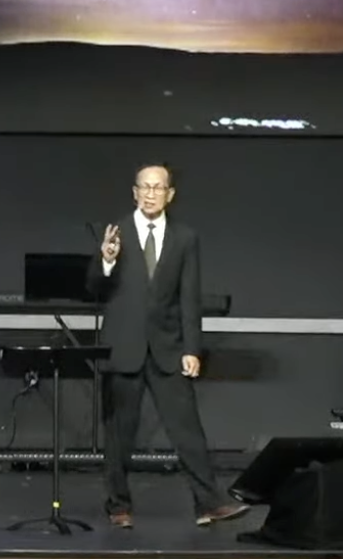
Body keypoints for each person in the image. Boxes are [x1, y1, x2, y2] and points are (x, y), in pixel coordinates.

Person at [87, 165, 249, 528]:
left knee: (187, 429)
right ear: (134, 192)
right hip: (123, 348)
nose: (150, 193)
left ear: (170, 195)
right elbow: (94, 288)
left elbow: (189, 298)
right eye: (144, 187)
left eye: (157, 188)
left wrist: (192, 349)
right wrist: (106, 260)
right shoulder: (115, 232)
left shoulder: (185, 238)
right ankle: (118, 506)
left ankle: (209, 503)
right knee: (118, 435)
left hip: (168, 348)